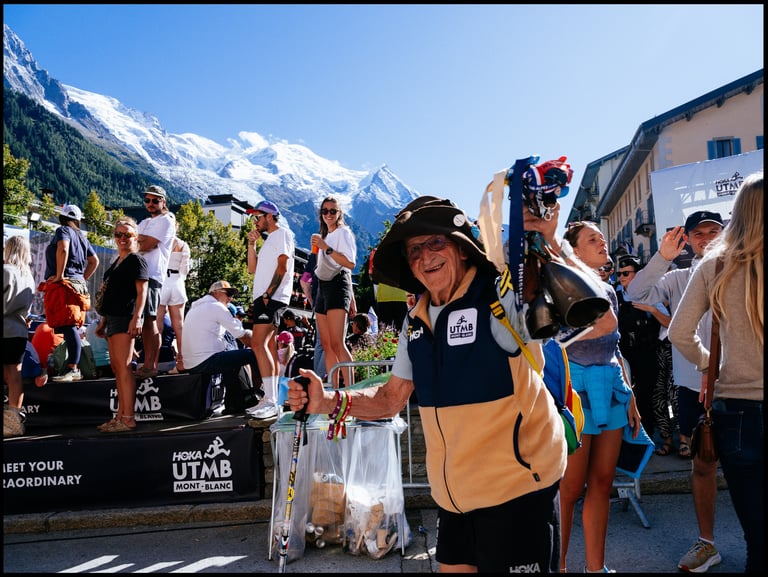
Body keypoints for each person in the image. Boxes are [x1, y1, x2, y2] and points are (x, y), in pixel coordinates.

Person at [288, 196, 568, 573]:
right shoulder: (416, 320)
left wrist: (549, 242)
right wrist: (327, 401)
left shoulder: (499, 297)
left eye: (436, 242)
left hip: (516, 494)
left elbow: (579, 312)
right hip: (454, 501)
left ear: (463, 249)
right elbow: (391, 398)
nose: (425, 256)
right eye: (414, 250)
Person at [669, 171, 763, 574]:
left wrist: (711, 365)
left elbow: (679, 331)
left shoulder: (715, 264)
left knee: (757, 532)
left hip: (737, 407)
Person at [626, 209, 725, 573]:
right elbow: (635, 292)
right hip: (691, 387)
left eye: (713, 231)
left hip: (737, 385)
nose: (707, 238)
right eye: (699, 233)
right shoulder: (678, 277)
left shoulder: (740, 270)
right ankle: (707, 543)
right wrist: (662, 257)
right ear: (688, 240)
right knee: (702, 467)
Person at [547, 220, 641, 573]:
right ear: (574, 250)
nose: (602, 243)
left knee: (602, 483)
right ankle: (559, 567)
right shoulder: (560, 290)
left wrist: (630, 396)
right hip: (576, 394)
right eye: (592, 239)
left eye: (602, 238)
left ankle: (595, 569)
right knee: (570, 489)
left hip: (612, 391)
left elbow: (613, 347)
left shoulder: (608, 290)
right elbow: (553, 345)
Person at [94, 217, 148, 433]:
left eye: (127, 234)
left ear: (135, 237)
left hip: (126, 317)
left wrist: (137, 317)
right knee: (118, 368)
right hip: (113, 318)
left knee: (124, 368)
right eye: (118, 234)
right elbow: (111, 295)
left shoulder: (136, 260)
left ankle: (128, 419)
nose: (122, 238)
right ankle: (120, 416)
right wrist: (103, 321)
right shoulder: (117, 262)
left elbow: (142, 292)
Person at [246, 200, 295, 420]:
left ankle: (271, 401)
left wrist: (268, 294)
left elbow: (283, 266)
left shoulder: (282, 234)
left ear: (268, 216)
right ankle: (271, 399)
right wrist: (251, 244)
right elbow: (252, 269)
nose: (255, 221)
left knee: (258, 343)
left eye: (257, 217)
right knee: (267, 347)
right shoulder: (269, 240)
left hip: (271, 297)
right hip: (265, 298)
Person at [181, 280, 261, 414]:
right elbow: (242, 335)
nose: (231, 298)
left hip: (191, 363)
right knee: (254, 353)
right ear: (216, 293)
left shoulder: (195, 308)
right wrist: (262, 345)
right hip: (206, 360)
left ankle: (235, 404)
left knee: (232, 360)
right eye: (228, 294)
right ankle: (261, 394)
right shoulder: (216, 307)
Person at [41, 203, 99, 382]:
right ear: (78, 220)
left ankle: (73, 368)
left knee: (68, 325)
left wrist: (60, 275)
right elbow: (94, 261)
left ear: (62, 217)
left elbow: (63, 248)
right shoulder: (82, 237)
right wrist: (82, 279)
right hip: (76, 284)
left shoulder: (63, 230)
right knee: (69, 325)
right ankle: (71, 367)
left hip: (64, 285)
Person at [615, 255, 664, 438]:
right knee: (624, 396)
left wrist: (653, 310)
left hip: (646, 354)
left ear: (638, 274)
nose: (621, 277)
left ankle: (646, 436)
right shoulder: (615, 296)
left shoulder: (651, 295)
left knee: (645, 397)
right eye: (619, 273)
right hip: (624, 354)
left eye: (626, 273)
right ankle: (626, 438)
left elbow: (669, 322)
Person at [310, 196, 357, 388]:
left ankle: (351, 390)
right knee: (327, 345)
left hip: (338, 284)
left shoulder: (343, 232)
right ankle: (334, 389)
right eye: (325, 211)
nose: (328, 214)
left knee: (337, 343)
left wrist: (326, 248)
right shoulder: (326, 235)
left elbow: (350, 264)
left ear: (339, 213)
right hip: (323, 286)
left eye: (332, 211)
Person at [136, 184, 175, 379]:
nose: (150, 203)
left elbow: (147, 244)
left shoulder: (167, 220)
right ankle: (146, 363)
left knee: (150, 321)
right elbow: (134, 242)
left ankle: (151, 365)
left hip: (152, 276)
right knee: (141, 322)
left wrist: (139, 240)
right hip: (138, 274)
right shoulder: (144, 222)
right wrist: (139, 240)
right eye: (147, 200)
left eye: (155, 200)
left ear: (163, 201)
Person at [3, 235, 36, 438]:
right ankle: (13, 421)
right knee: (15, 376)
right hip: (18, 331)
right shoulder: (28, 276)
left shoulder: (6, 271)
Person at [157, 220, 190, 371]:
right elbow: (185, 269)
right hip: (177, 282)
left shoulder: (159, 243)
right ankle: (182, 361)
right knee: (180, 325)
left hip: (162, 281)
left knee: (157, 324)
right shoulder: (183, 245)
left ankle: (153, 361)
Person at [300, 251, 326, 377]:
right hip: (334, 300)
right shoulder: (334, 247)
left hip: (318, 301)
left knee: (320, 343)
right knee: (332, 343)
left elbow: (304, 281)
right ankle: (323, 379)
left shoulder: (315, 253)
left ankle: (316, 378)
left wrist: (311, 301)